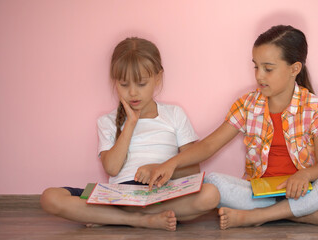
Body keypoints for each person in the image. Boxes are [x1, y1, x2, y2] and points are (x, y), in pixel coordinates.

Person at [136, 25, 318, 230]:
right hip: (259, 193)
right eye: (256, 66)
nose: (259, 75)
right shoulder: (248, 104)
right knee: (212, 182)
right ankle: (298, 214)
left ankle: (258, 216)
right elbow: (210, 145)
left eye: (268, 69)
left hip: (304, 192)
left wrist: (305, 175)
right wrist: (170, 164)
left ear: (294, 69)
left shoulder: (316, 108)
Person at [40, 37, 220, 231]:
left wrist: (157, 169)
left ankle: (113, 218)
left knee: (211, 194)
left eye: (141, 84)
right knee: (50, 197)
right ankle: (138, 219)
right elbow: (112, 168)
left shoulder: (174, 114)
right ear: (115, 81)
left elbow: (192, 169)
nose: (133, 93)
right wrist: (130, 123)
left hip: (161, 194)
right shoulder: (107, 121)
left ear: (158, 78)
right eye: (124, 85)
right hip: (120, 196)